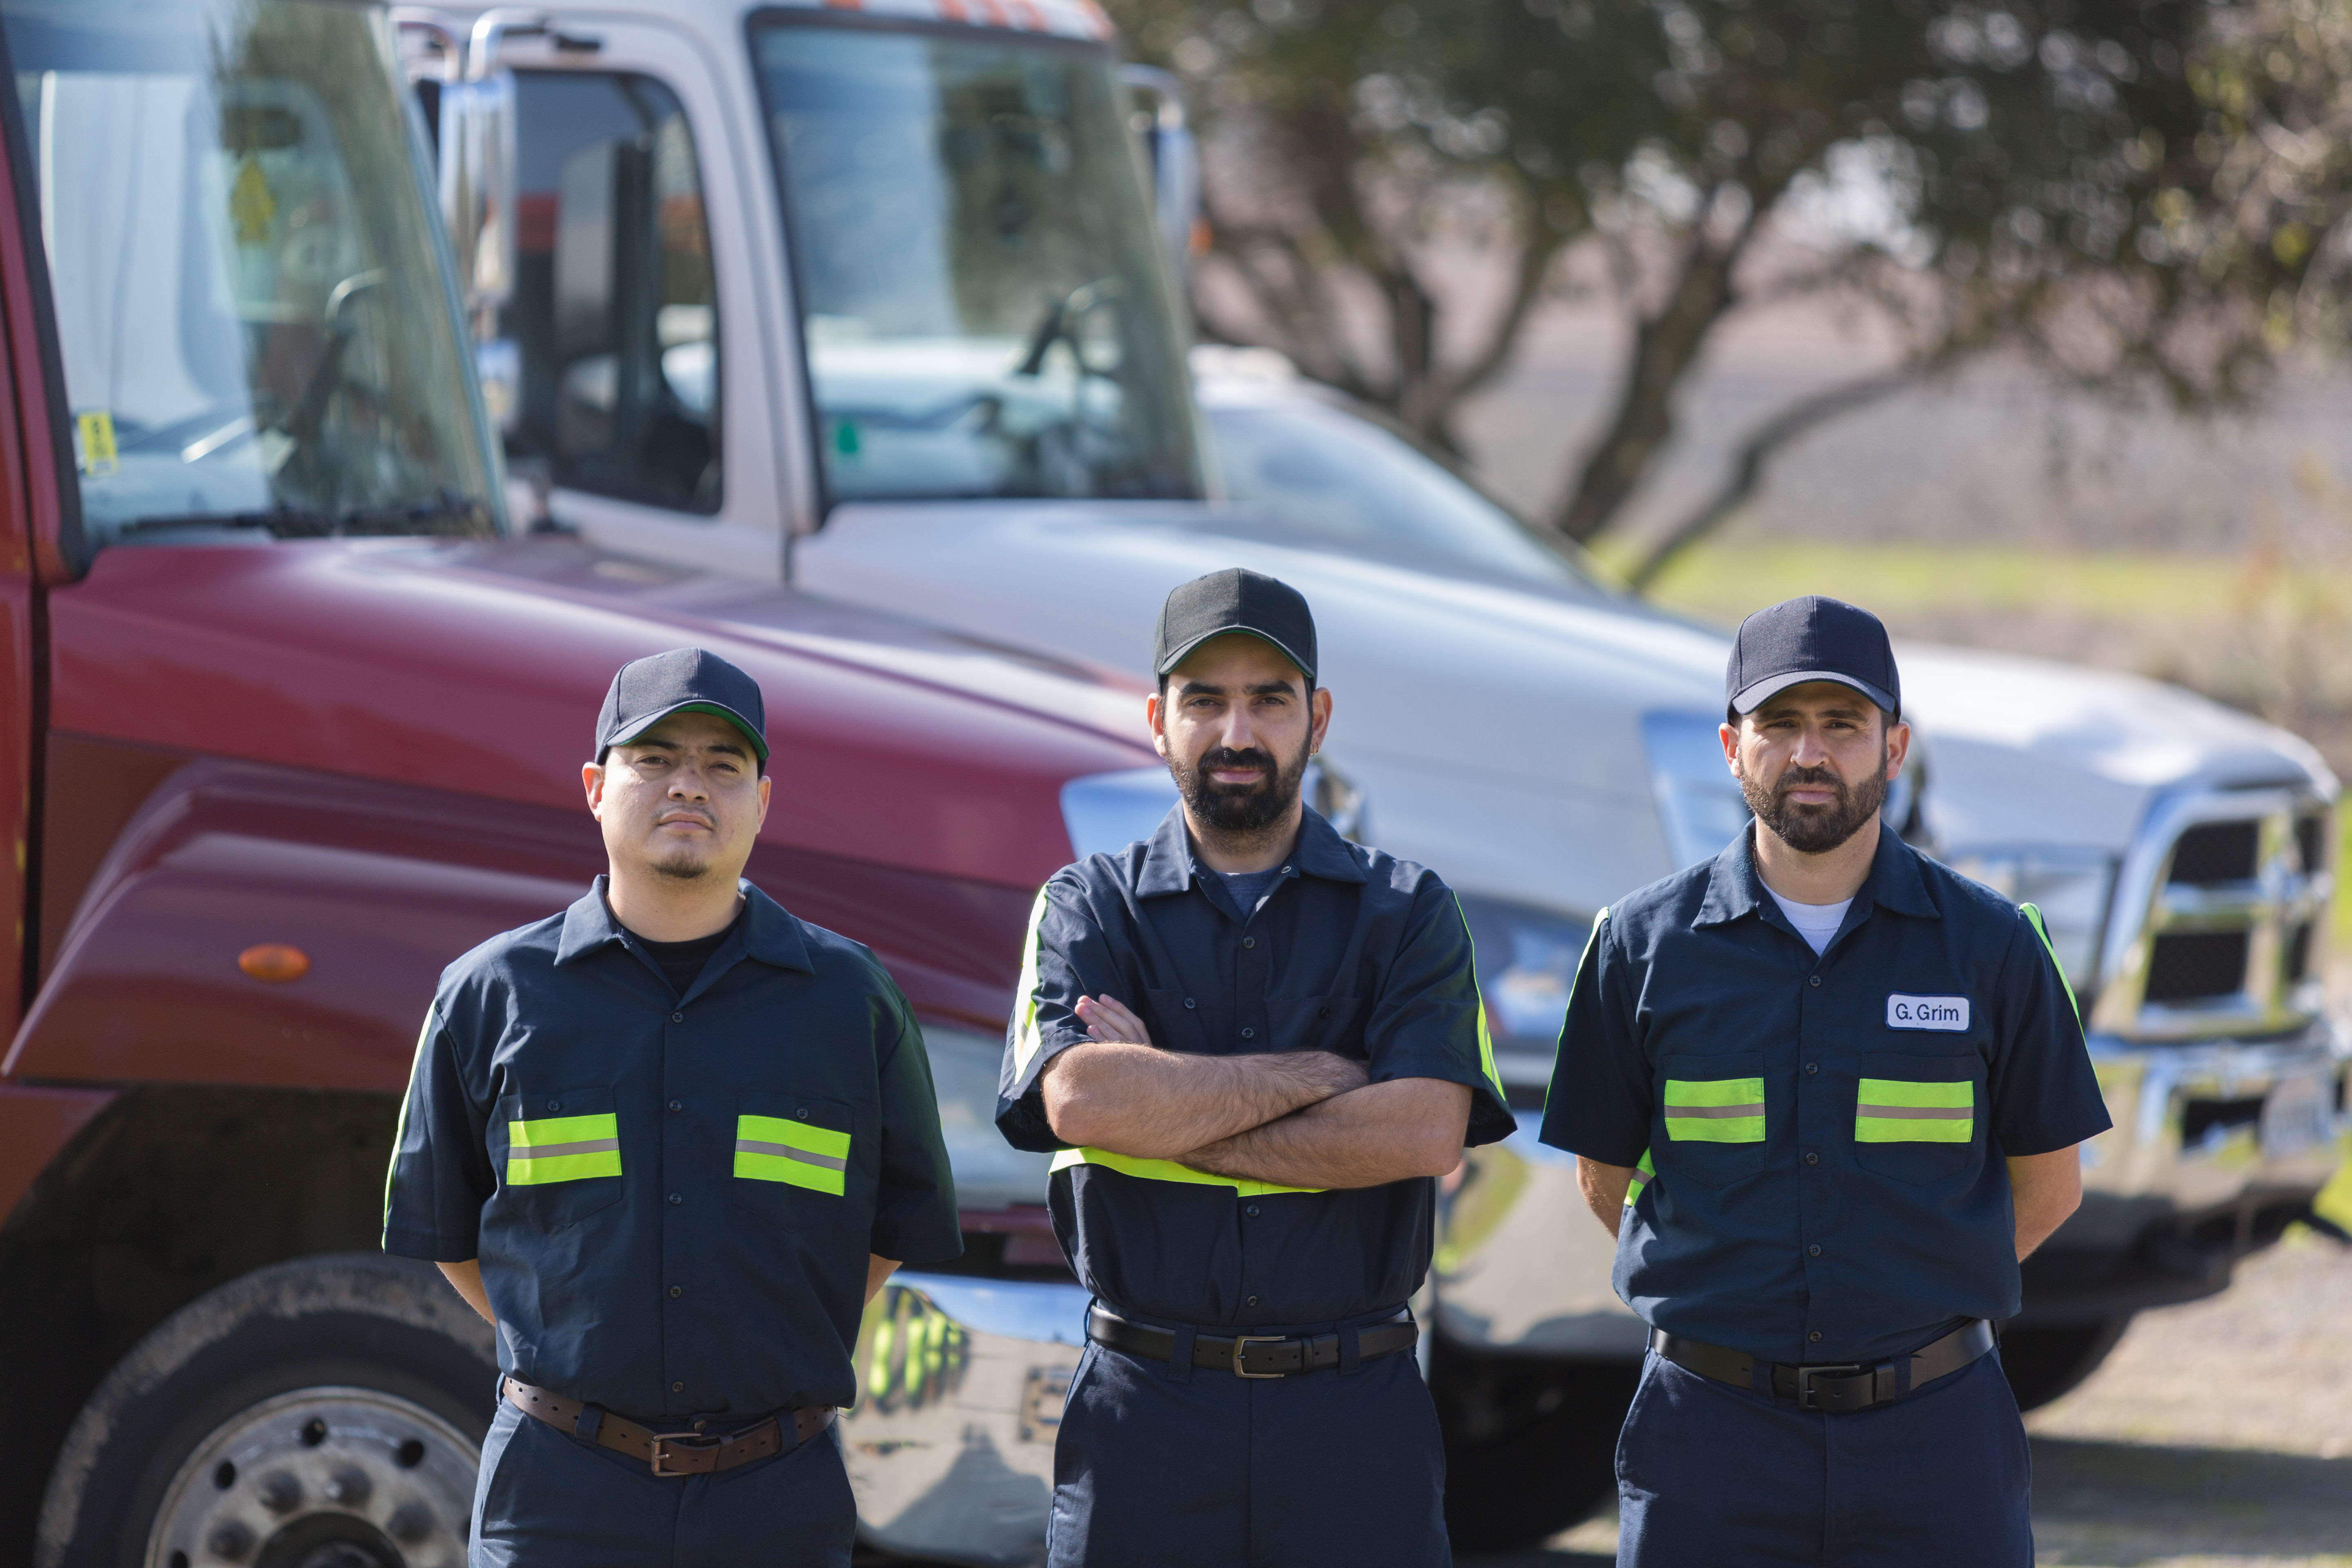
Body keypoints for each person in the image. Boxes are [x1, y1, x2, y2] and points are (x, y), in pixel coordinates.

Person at [1540, 595, 2112, 1567]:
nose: (1810, 755)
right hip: (1709, 1440)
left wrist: (1903, 1300)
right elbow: (1605, 1177)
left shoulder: (1995, 949)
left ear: (1894, 748)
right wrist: (1735, 1295)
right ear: (1731, 747)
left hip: (1936, 1438)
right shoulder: (1637, 949)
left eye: (1842, 725)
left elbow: (2050, 1186)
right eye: (1780, 725)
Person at [381, 646, 962, 1567]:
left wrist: (764, 1352)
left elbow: (895, 1223)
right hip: (558, 1492)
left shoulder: (850, 1000)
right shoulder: (489, 995)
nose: (688, 785)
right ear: (595, 788)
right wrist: (577, 1353)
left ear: (762, 802)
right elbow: (448, 1234)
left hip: (775, 1499)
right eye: (654, 759)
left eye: (722, 765)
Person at [995, 567, 1516, 1568]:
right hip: (1143, 1417)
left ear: (1317, 718)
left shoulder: (1410, 912)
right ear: (1157, 720)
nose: (1237, 731)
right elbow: (1080, 1097)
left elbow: (1421, 1132)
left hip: (1352, 1422)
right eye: (1204, 701)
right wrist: (1328, 1073)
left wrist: (1169, 1098)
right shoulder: (1085, 907)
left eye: (1269, 700)